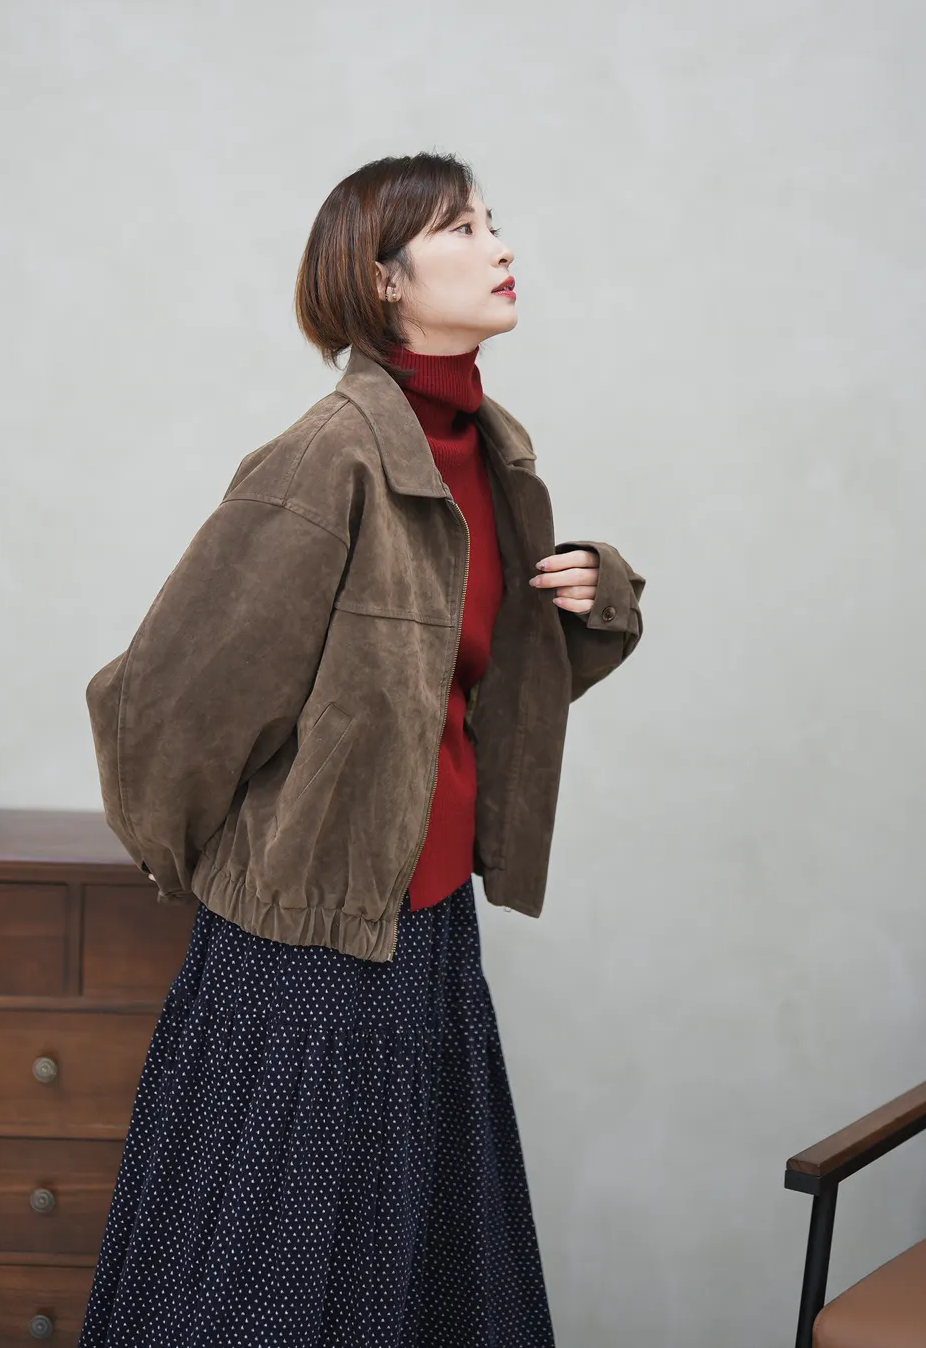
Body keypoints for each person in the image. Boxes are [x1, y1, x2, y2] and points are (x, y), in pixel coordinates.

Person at [78, 151, 645, 1347]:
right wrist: (223, 872)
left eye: (493, 222)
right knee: (265, 1292)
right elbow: (166, 702)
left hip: (428, 928)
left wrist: (596, 595)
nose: (500, 246)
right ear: (384, 280)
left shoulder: (493, 454)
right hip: (303, 942)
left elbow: (466, 696)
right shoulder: (329, 454)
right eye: (462, 230)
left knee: (414, 1285)